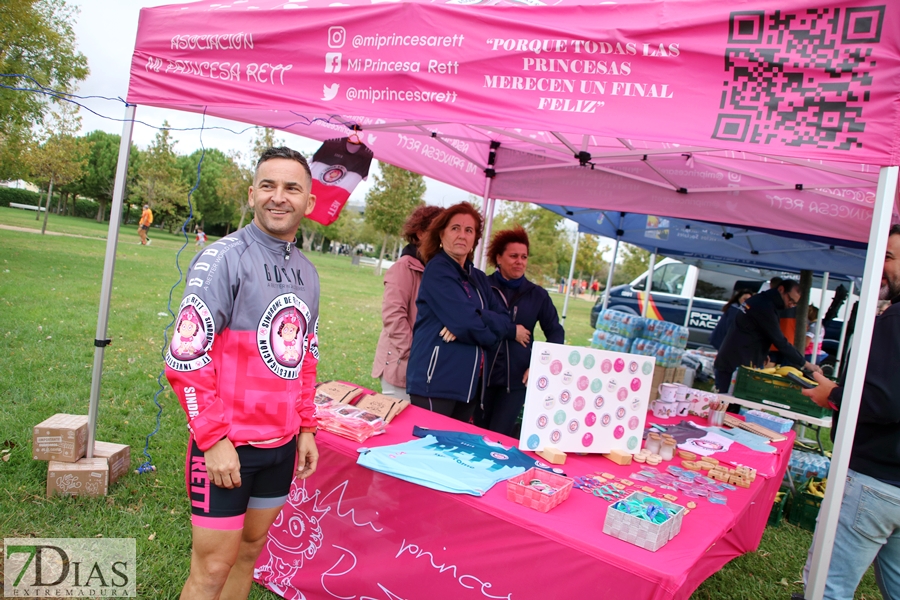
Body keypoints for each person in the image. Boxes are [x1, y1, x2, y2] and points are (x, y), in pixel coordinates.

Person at [164, 147, 320, 600]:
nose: (279, 197)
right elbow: (185, 357)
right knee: (212, 568)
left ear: (308, 202)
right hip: (228, 445)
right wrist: (212, 440)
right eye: (268, 186)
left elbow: (305, 355)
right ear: (252, 195)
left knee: (249, 554)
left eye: (292, 188)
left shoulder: (308, 274)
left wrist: (306, 427)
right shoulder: (223, 258)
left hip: (281, 445)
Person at [798, 225, 900, 600]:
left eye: (888, 258)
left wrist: (834, 394)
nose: (879, 267)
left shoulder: (894, 320)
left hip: (874, 482)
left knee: (826, 588)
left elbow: (884, 401)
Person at [406, 202, 525, 423]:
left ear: (474, 240)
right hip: (436, 382)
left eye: (468, 230)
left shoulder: (478, 277)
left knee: (452, 452)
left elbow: (503, 317)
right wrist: (487, 331)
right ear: (442, 234)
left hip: (469, 386)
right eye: (455, 228)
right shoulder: (438, 270)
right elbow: (466, 324)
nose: (462, 235)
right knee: (427, 451)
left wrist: (478, 318)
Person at [476, 227, 565, 436]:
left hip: (515, 383)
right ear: (498, 257)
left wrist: (539, 364)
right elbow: (474, 316)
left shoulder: (537, 295)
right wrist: (510, 330)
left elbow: (555, 332)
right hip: (481, 378)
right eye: (513, 256)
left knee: (499, 438)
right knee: (474, 435)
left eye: (524, 257)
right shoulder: (483, 287)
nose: (520, 261)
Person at [371, 204, 443, 401]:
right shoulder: (404, 268)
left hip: (425, 368)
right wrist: (415, 354)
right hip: (400, 366)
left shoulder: (436, 269)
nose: (442, 238)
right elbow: (394, 317)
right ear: (419, 233)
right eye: (437, 231)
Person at [713, 279, 822, 395]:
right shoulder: (765, 307)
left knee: (731, 400)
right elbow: (779, 340)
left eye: (795, 303)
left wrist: (762, 353)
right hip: (736, 362)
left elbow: (754, 331)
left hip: (736, 357)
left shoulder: (760, 300)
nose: (791, 305)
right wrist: (805, 363)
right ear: (781, 290)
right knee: (728, 401)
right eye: (790, 300)